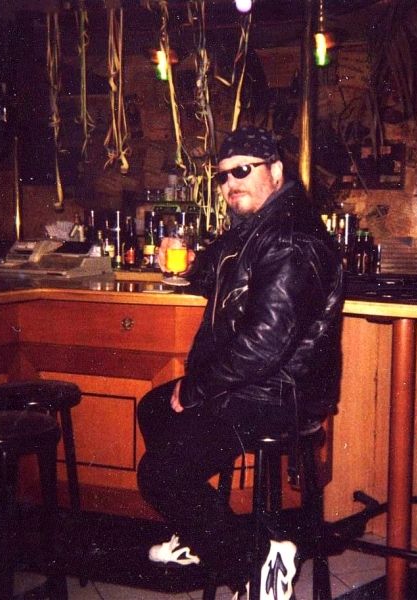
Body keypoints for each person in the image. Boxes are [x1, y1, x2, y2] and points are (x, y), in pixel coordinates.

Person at [137, 126, 343, 598]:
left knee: (159, 474)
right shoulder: (259, 224)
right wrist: (189, 262)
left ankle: (256, 562)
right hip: (257, 385)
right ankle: (202, 535)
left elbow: (262, 345)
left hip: (281, 395)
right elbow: (215, 271)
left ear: (276, 170)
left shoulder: (292, 238)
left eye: (242, 171)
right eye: (224, 176)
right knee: (153, 410)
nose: (231, 184)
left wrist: (195, 388)